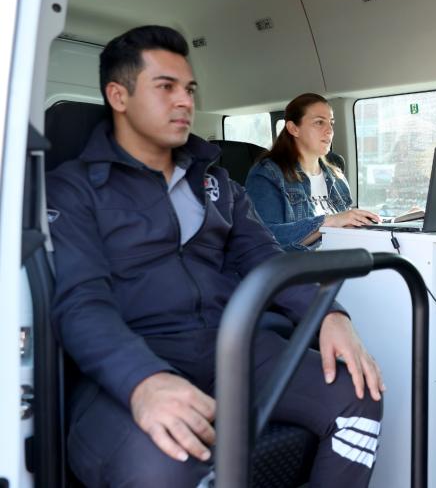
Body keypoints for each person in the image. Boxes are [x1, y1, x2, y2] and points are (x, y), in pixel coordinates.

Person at [47, 25, 384, 488]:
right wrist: (143, 380)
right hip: (130, 358)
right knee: (165, 461)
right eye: (165, 87)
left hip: (229, 347)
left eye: (188, 89)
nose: (184, 101)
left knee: (359, 395)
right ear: (118, 96)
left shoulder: (218, 183)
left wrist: (329, 315)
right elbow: (80, 302)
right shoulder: (73, 187)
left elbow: (267, 258)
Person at [245, 93, 380, 251]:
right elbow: (264, 238)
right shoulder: (268, 174)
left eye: (331, 123)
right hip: (300, 265)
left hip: (343, 260)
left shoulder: (336, 177)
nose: (329, 130)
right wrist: (328, 222)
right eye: (319, 122)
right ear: (293, 128)